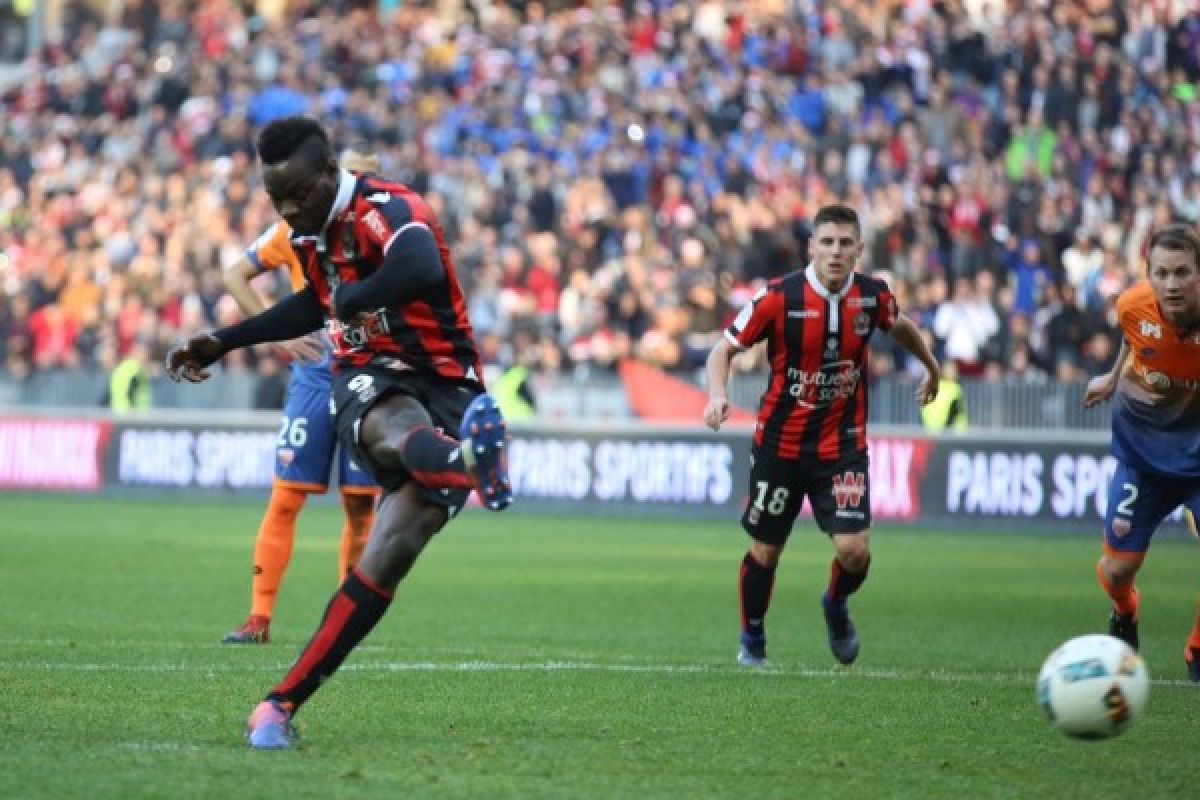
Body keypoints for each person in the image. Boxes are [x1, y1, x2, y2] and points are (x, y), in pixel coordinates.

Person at [165, 116, 512, 748]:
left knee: (391, 552)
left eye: (297, 194)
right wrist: (223, 340)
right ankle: (468, 465)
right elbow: (310, 305)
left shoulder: (389, 206)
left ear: (331, 173)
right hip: (368, 375)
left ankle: (277, 705)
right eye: (277, 201)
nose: (289, 210)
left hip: (450, 382)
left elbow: (420, 265)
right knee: (389, 422)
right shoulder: (308, 234)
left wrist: (357, 297)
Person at [703, 204, 940, 668]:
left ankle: (835, 603)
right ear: (812, 246)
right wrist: (716, 395)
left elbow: (903, 327)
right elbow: (722, 349)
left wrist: (931, 367)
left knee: (855, 552)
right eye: (826, 242)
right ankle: (752, 638)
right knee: (765, 551)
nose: (835, 251)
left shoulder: (872, 297)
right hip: (779, 445)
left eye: (844, 243)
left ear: (859, 249)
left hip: (841, 446)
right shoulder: (779, 298)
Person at [218, 150, 382, 645]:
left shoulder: (384, 229)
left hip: (367, 377)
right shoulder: (296, 232)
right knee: (286, 499)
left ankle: (345, 624)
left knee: (360, 508)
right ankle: (259, 618)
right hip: (314, 376)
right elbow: (235, 275)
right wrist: (277, 337)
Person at [1082, 223, 1200, 682]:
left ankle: (1196, 649)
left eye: (1183, 273)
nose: (1171, 284)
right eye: (1161, 274)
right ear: (1148, 274)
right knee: (1115, 570)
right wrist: (1112, 378)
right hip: (1143, 455)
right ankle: (1125, 612)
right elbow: (1135, 337)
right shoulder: (1132, 305)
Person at [920, 360, 968, 432]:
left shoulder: (933, 385)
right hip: (944, 432)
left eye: (954, 370)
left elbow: (959, 413)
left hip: (931, 431)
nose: (953, 372)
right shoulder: (955, 389)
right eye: (951, 370)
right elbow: (959, 412)